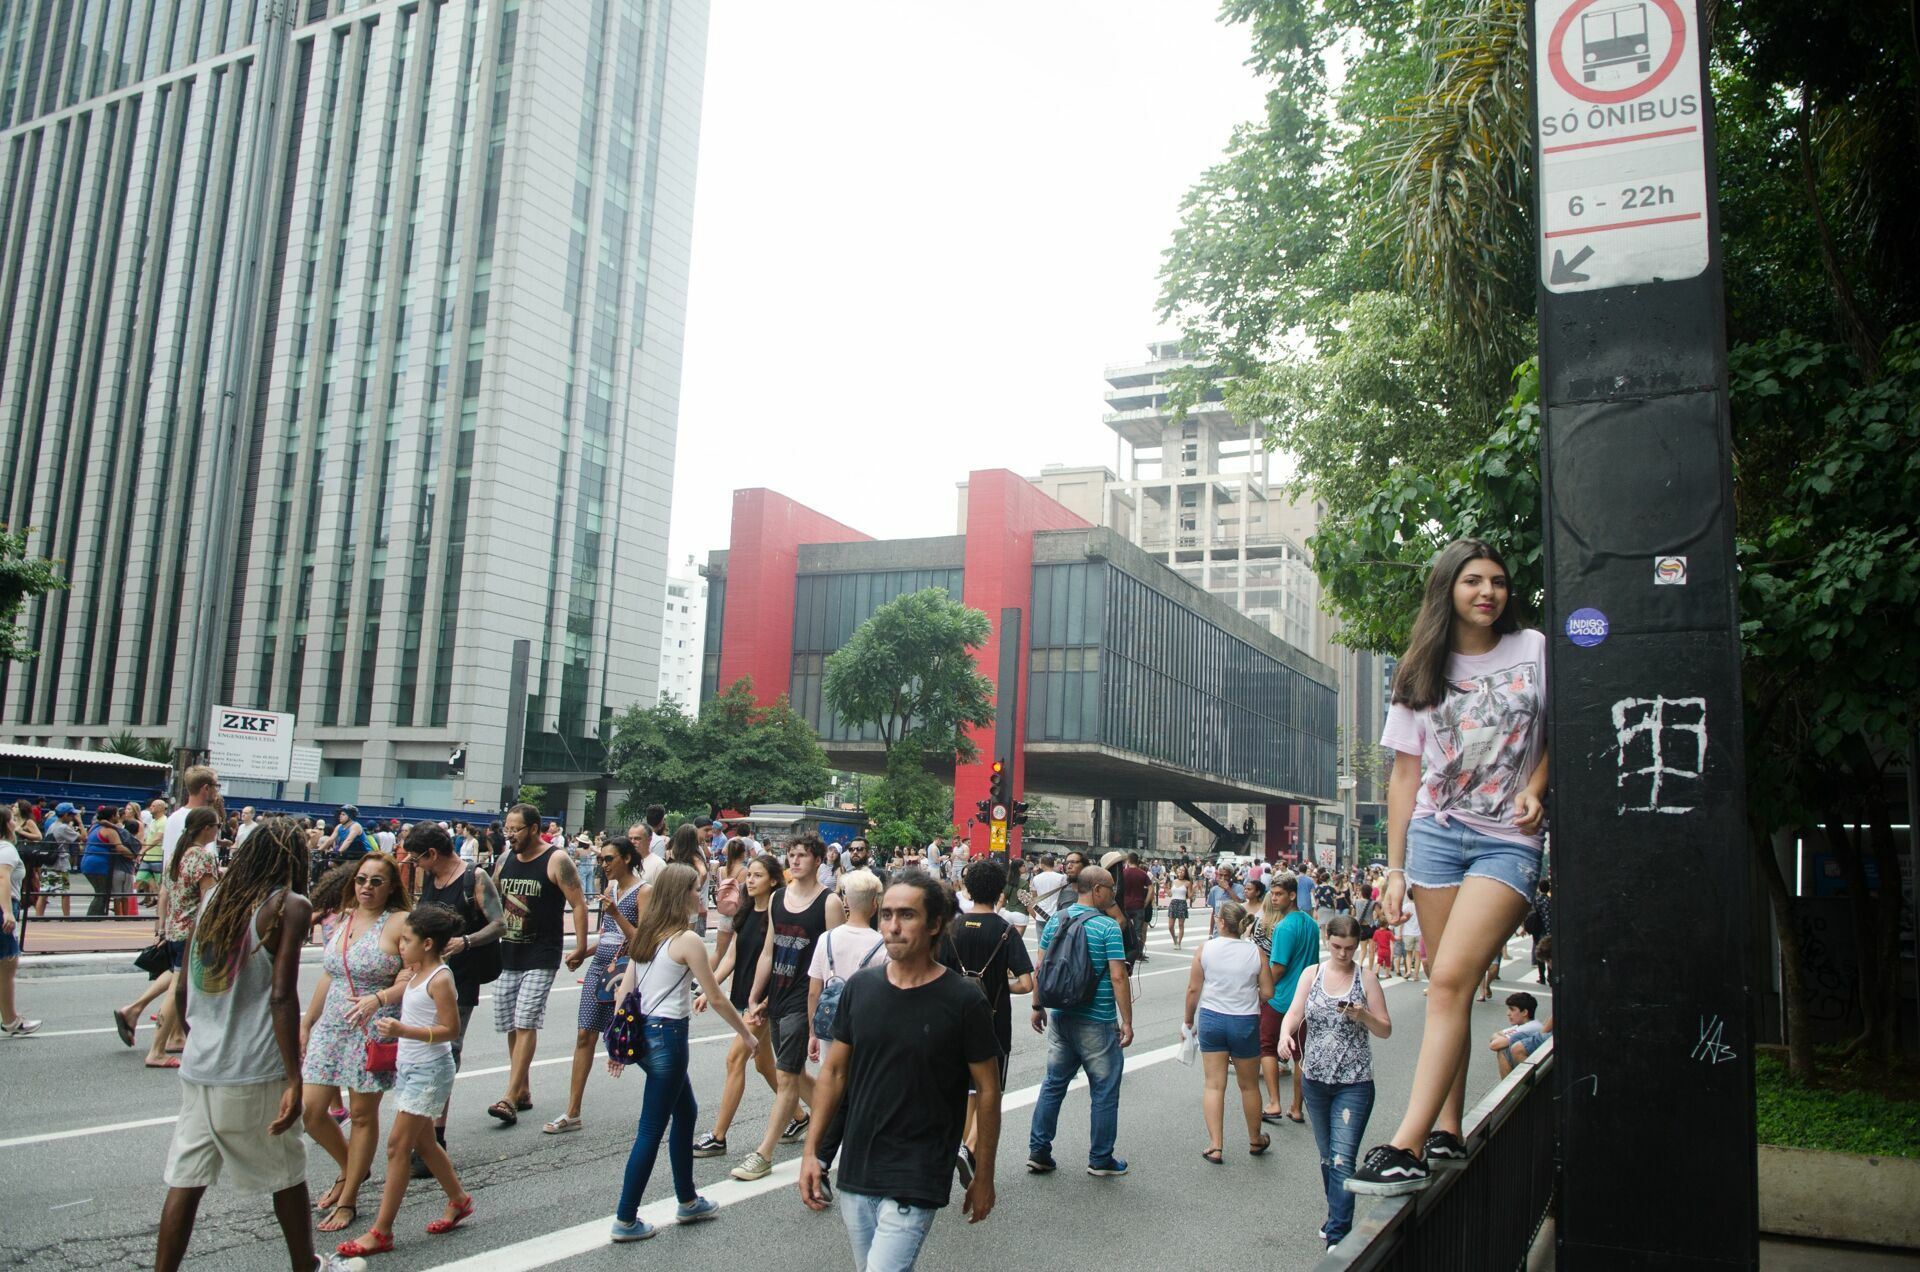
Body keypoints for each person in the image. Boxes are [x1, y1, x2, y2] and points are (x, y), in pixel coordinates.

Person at [1349, 538, 1549, 1197]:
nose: (1488, 592)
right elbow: (1404, 776)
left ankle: (1406, 1143)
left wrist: (1537, 787)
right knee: (1446, 982)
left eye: (1497, 581)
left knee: (1453, 978)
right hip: (1436, 836)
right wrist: (1396, 869)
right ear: (1448, 590)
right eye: (1473, 581)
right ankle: (1447, 1129)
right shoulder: (1418, 671)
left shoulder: (1535, 651)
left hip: (1507, 842)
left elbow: (1564, 731)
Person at [153, 817, 366, 1272]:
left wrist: (200, 1038)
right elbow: (282, 994)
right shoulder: (287, 905)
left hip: (202, 1065)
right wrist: (294, 1074)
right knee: (287, 1174)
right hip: (254, 1066)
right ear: (293, 858)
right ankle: (307, 1266)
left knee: (186, 1181)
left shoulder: (215, 899)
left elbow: (185, 990)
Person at [800, 869, 1001, 1270]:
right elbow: (835, 1074)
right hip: (858, 1168)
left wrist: (985, 1176)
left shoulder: (964, 1000)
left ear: (935, 924)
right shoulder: (861, 988)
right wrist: (812, 1153)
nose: (892, 926)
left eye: (907, 915)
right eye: (886, 914)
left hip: (918, 1171)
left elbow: (988, 1092)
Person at [606, 863, 758, 1242]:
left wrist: (618, 1045)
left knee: (685, 1110)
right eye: (695, 890)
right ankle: (625, 1218)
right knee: (650, 1129)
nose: (699, 897)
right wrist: (748, 1035)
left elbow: (625, 994)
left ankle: (688, 1199)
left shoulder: (645, 935)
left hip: (642, 1036)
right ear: (680, 895)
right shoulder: (687, 940)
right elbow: (718, 998)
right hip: (668, 1038)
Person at [334, 906, 475, 1258]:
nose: (400, 946)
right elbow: (398, 994)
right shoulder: (414, 972)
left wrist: (402, 1030)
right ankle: (458, 1200)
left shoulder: (440, 978)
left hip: (429, 1071)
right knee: (425, 1143)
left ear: (427, 944)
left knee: (398, 1147)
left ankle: (381, 1232)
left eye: (406, 940)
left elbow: (450, 1030)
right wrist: (374, 1001)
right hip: (411, 1068)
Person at [301, 852, 410, 1234]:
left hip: (371, 1026)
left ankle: (348, 1199)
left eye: (376, 881)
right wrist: (307, 1021)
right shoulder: (343, 918)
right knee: (311, 1111)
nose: (367, 887)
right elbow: (329, 975)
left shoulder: (399, 923)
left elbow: (410, 978)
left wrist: (378, 999)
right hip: (332, 1024)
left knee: (363, 1115)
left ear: (391, 886)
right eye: (362, 879)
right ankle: (353, 1171)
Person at [732, 834, 845, 1180]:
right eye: (791, 855)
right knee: (793, 1073)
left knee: (785, 1074)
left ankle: (763, 1153)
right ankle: (842, 1118)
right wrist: (756, 995)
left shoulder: (828, 903)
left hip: (804, 997)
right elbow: (769, 950)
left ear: (816, 861)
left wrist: (820, 1014)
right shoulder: (779, 897)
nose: (794, 861)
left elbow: (834, 960)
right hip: (777, 996)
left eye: (802, 855)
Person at [1279, 915, 1393, 1250]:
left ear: (1357, 945)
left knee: (1343, 1158)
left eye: (1350, 948)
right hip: (1314, 1080)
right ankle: (1336, 1215)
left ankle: (1339, 1236)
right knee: (1328, 1157)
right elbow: (1295, 1012)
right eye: (1337, 946)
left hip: (1354, 1082)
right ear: (1327, 940)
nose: (1343, 954)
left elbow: (1385, 1029)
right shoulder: (1312, 974)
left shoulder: (1366, 978)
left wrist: (1364, 1015)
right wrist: (1286, 1034)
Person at [405, 822, 503, 1172]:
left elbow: (499, 923)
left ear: (432, 853)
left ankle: (435, 1137)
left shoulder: (473, 878)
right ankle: (420, 1132)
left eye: (416, 858)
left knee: (447, 1051)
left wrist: (466, 942)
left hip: (460, 979)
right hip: (426, 978)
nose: (414, 864)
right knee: (422, 1052)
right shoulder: (431, 879)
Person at [487, 802, 591, 1125]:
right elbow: (490, 897)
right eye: (507, 829)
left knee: (526, 1020)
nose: (510, 835)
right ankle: (524, 1089)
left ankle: (509, 1096)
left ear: (533, 829)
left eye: (515, 829)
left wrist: (581, 946)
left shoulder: (556, 859)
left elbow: (578, 903)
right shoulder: (505, 860)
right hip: (510, 952)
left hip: (542, 953)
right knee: (510, 1022)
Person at [1026, 866, 1132, 1177]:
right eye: (1110, 889)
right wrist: (1126, 1021)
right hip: (1097, 1019)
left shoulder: (1057, 919)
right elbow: (1118, 976)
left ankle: (1039, 1151)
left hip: (1060, 1015)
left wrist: (1037, 1005)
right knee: (1104, 1089)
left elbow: (1041, 966)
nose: (1113, 894)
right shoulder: (1108, 927)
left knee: (1054, 1084)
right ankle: (1100, 1159)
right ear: (1097, 889)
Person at [940, 856, 1034, 1181]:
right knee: (990, 1090)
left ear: (966, 887)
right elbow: (1026, 983)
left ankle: (961, 1147)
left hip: (953, 1021)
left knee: (966, 1091)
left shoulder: (951, 929)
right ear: (1000, 893)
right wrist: (998, 985)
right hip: (994, 1022)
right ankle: (970, 1146)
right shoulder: (1007, 932)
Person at [547, 835, 648, 1134]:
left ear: (627, 858)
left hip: (625, 973)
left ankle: (672, 1094)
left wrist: (616, 912)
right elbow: (607, 935)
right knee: (584, 1035)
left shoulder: (644, 892)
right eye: (601, 859)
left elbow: (642, 940)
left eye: (609, 859)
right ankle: (573, 1111)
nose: (603, 864)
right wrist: (583, 951)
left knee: (631, 1040)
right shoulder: (611, 888)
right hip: (599, 968)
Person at [692, 852, 786, 1159]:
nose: (750, 880)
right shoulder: (746, 911)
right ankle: (799, 1116)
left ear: (774, 881)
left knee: (735, 1059)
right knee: (764, 1064)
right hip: (744, 995)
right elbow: (732, 956)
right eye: (750, 875)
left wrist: (765, 1000)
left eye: (758, 876)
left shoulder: (778, 917)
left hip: (761, 1002)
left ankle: (718, 1136)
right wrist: (709, 988)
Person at [126, 807, 220, 1066]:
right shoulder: (202, 857)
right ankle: (157, 1050)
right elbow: (208, 898)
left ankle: (173, 1038)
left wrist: (163, 925)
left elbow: (167, 894)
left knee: (179, 987)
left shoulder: (177, 855)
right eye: (216, 825)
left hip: (176, 928)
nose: (218, 830)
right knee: (176, 991)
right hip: (193, 931)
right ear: (205, 828)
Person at [1183, 900, 1274, 1164]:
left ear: (1221, 922)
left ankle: (1215, 1145)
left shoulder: (1206, 949)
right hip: (1244, 1021)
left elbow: (1193, 990)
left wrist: (1188, 1021)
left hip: (1212, 1019)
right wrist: (1250, 998)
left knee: (1214, 1084)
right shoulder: (1255, 953)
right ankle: (1256, 1139)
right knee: (1248, 1086)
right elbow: (1268, 992)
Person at [1263, 873, 1318, 1126]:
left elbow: (1278, 968)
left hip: (1282, 998)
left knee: (1267, 1049)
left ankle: (1274, 1102)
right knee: (1300, 1057)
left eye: (1279, 894)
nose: (1274, 899)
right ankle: (1297, 1107)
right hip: (1306, 999)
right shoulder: (1311, 924)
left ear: (1292, 895)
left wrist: (1261, 990)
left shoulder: (1284, 927)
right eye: (1272, 894)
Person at [0, 806, 38, 1036]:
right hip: (4, 906)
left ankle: (10, 1018)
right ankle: (11, 1020)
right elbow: (2, 878)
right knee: (7, 965)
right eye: (13, 819)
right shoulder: (7, 849)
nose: (16, 823)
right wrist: (7, 912)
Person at [1490, 991, 1548, 1076]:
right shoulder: (1522, 1025)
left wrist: (1500, 1037)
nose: (1508, 1013)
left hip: (1535, 1065)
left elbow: (1494, 1045)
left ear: (1524, 1012)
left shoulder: (1530, 1027)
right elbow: (1494, 1035)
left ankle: (1508, 1086)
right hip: (1531, 1060)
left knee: (1502, 1050)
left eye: (1512, 1009)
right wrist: (1500, 1037)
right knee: (1504, 1047)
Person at [1119, 852, 1152, 968]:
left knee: (1123, 928)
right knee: (1138, 931)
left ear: (1128, 860)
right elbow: (1151, 889)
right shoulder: (1143, 874)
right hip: (1138, 905)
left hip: (1125, 905)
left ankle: (1123, 952)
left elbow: (1118, 889)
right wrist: (1146, 902)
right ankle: (1137, 954)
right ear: (1137, 861)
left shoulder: (1123, 873)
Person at [1166, 865, 1192, 949]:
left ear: (1185, 873)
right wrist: (1166, 888)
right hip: (1173, 903)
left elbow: (1190, 896)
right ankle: (1174, 938)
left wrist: (1194, 889)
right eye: (1179, 870)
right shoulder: (1173, 881)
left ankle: (1179, 943)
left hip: (1182, 903)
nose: (1181, 872)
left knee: (1181, 925)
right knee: (1170, 926)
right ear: (1177, 871)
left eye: (1183, 870)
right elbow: (1170, 894)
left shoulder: (1187, 883)